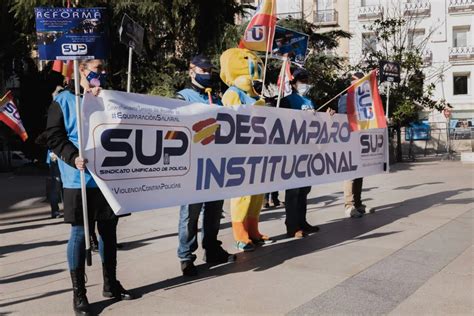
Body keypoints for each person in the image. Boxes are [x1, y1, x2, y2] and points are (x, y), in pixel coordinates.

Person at [46, 59, 134, 316]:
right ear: (80, 70)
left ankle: (111, 284)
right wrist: (73, 157)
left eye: (105, 68)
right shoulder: (63, 101)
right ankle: (79, 294)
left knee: (109, 232)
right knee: (80, 234)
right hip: (78, 180)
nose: (102, 72)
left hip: (107, 178)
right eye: (97, 68)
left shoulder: (109, 97)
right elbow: (54, 137)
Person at [176, 55, 236, 277]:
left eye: (210, 70)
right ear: (191, 71)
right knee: (190, 214)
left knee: (213, 211)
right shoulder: (182, 97)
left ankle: (211, 248)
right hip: (193, 164)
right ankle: (186, 256)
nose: (207, 74)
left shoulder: (216, 99)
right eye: (203, 70)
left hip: (215, 163)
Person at [220, 48, 270, 252]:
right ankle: (240, 234)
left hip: (258, 150)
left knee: (258, 194)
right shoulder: (233, 93)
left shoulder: (255, 93)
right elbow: (232, 117)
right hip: (241, 152)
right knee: (242, 195)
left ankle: (253, 230)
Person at [279, 68, 321, 238]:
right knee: (293, 191)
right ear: (293, 83)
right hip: (292, 151)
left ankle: (302, 221)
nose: (305, 83)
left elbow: (316, 122)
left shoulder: (310, 101)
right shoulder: (287, 101)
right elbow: (282, 121)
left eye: (307, 79)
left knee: (304, 190)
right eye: (302, 80)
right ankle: (292, 225)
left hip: (307, 150)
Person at [337, 72, 374, 218]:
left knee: (359, 173)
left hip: (361, 140)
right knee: (350, 174)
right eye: (357, 81)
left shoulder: (366, 100)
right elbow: (344, 118)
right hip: (349, 140)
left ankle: (358, 204)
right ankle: (349, 205)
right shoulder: (345, 98)